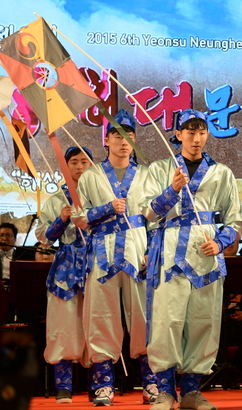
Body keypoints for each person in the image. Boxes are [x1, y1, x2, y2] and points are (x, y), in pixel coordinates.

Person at [143, 109, 242, 410]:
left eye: (201, 132)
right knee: (166, 322)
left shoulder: (221, 172)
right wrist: (172, 190)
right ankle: (164, 392)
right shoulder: (161, 169)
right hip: (170, 254)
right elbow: (147, 214)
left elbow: (235, 220)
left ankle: (190, 392)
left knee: (203, 322)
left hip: (206, 257)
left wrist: (222, 241)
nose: (196, 138)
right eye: (190, 131)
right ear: (178, 134)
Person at [75, 110, 157, 406]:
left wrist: (152, 250)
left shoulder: (147, 174)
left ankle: (151, 384)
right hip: (103, 253)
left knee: (143, 318)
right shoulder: (91, 175)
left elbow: (156, 217)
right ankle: (103, 386)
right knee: (101, 317)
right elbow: (79, 218)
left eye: (130, 136)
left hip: (137, 253)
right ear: (106, 140)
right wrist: (106, 208)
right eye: (118, 136)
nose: (125, 142)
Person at [36, 146, 93, 403]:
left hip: (96, 265)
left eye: (85, 161)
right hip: (65, 268)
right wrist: (61, 220)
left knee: (98, 324)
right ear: (66, 167)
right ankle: (63, 387)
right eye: (74, 162)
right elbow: (44, 238)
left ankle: (100, 385)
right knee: (63, 327)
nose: (80, 166)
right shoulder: (57, 199)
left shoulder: (101, 196)